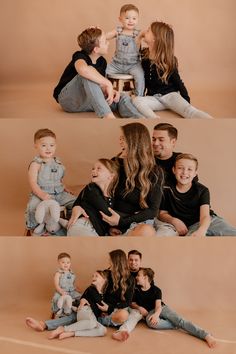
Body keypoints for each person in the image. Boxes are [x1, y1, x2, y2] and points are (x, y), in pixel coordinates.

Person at [25, 249, 134, 334]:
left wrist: (109, 308)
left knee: (123, 314)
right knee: (76, 314)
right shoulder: (106, 273)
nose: (109, 263)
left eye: (110, 261)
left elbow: (127, 302)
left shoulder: (129, 279)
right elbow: (92, 288)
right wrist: (83, 299)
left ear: (117, 262)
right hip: (96, 305)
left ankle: (91, 322)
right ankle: (43, 325)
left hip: (112, 310)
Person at [53, 27, 142, 119]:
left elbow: (99, 86)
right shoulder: (80, 56)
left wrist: (112, 92)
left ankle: (138, 118)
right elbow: (83, 70)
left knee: (121, 97)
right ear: (96, 49)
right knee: (88, 74)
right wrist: (108, 83)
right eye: (104, 41)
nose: (108, 43)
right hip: (69, 99)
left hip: (88, 101)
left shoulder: (102, 62)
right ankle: (108, 116)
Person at [116, 267, 217, 348]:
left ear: (146, 277)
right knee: (151, 323)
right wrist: (139, 307)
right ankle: (176, 325)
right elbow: (132, 303)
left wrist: (156, 314)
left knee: (180, 320)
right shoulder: (135, 289)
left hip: (161, 308)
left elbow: (159, 306)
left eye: (139, 275)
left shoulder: (156, 290)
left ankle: (206, 335)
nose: (136, 277)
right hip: (149, 312)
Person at [132, 22, 212, 119]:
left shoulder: (168, 60)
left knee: (189, 111)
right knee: (137, 101)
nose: (145, 31)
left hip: (170, 96)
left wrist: (185, 100)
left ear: (155, 39)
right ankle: (154, 119)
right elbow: (134, 52)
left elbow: (178, 82)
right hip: (154, 98)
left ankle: (211, 121)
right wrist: (139, 37)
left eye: (148, 31)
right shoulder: (144, 55)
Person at [100, 122, 164, 236]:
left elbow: (153, 210)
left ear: (134, 142)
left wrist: (122, 222)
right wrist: (110, 225)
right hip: (112, 220)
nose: (120, 142)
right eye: (120, 138)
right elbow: (101, 196)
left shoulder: (154, 172)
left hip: (137, 222)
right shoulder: (114, 163)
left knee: (146, 232)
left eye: (123, 139)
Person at [158, 153, 236, 236]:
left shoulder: (202, 190)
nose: (185, 172)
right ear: (174, 170)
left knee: (231, 233)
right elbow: (162, 214)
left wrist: (202, 230)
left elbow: (205, 216)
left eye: (190, 169)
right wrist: (174, 221)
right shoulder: (166, 189)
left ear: (195, 173)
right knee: (189, 241)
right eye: (180, 168)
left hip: (204, 221)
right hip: (182, 225)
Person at [25, 129, 76, 235]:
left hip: (59, 192)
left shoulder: (58, 162)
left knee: (75, 202)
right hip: (41, 193)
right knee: (32, 207)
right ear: (36, 146)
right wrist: (42, 195)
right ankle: (34, 227)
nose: (48, 148)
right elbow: (33, 183)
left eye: (51, 145)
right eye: (44, 145)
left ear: (55, 146)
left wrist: (65, 188)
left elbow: (59, 180)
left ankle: (70, 222)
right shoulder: (36, 164)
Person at [48, 270, 109, 339]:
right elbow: (99, 302)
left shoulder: (104, 294)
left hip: (92, 316)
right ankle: (63, 329)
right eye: (93, 276)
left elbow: (102, 306)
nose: (93, 278)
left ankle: (72, 333)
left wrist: (104, 311)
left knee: (103, 330)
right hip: (85, 310)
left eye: (96, 276)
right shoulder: (91, 289)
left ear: (104, 279)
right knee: (92, 323)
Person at [67, 159, 119, 236]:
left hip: (97, 232)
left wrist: (109, 229)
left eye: (99, 168)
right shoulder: (91, 189)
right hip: (83, 226)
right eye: (93, 168)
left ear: (111, 176)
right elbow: (106, 212)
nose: (94, 171)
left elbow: (103, 218)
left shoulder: (113, 196)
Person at [106, 4, 145, 96]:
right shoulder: (117, 31)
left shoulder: (138, 33)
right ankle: (103, 92)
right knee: (103, 72)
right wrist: (98, 32)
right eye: (127, 18)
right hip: (116, 64)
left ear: (138, 19)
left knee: (140, 76)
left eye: (134, 18)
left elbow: (150, 34)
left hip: (133, 65)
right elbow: (105, 36)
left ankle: (139, 96)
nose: (131, 21)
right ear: (120, 19)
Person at [51, 253, 81, 317]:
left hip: (71, 291)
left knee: (80, 297)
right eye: (63, 262)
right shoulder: (58, 273)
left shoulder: (72, 273)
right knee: (56, 298)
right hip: (61, 291)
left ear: (70, 263)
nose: (66, 264)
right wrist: (61, 291)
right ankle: (56, 311)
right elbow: (56, 285)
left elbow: (72, 284)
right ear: (59, 263)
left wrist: (75, 288)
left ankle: (73, 308)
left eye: (68, 262)